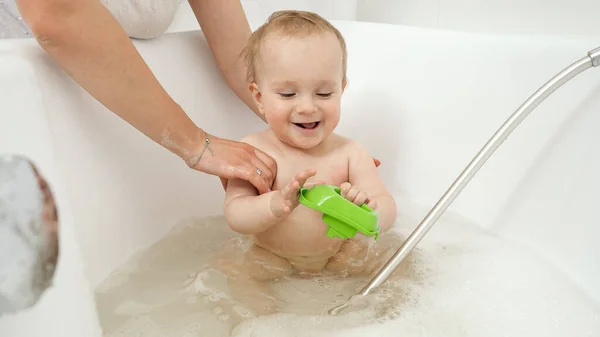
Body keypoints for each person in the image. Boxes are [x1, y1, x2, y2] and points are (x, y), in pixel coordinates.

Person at [13, 0, 381, 194]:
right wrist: (196, 144)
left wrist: (312, 139)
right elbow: (56, 14)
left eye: (325, 92)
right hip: (17, 89)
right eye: (291, 93)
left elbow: (245, 57)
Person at [214, 10, 400, 316]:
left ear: (341, 89)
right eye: (288, 94)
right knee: (239, 278)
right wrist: (274, 205)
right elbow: (236, 215)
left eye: (324, 93)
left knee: (399, 268)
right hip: (271, 256)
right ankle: (262, 325)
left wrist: (368, 211)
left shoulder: (351, 153)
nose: (307, 106)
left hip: (341, 255)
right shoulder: (254, 152)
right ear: (259, 97)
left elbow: (386, 206)